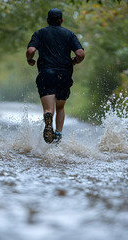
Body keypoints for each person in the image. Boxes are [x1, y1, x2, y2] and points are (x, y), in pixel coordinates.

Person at [26, 8, 85, 144]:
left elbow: (31, 50)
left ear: (48, 21)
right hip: (64, 75)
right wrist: (74, 61)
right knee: (60, 107)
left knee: (49, 108)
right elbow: (80, 54)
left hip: (46, 74)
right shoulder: (69, 34)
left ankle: (48, 117)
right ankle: (58, 135)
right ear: (62, 20)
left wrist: (30, 59)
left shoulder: (40, 33)